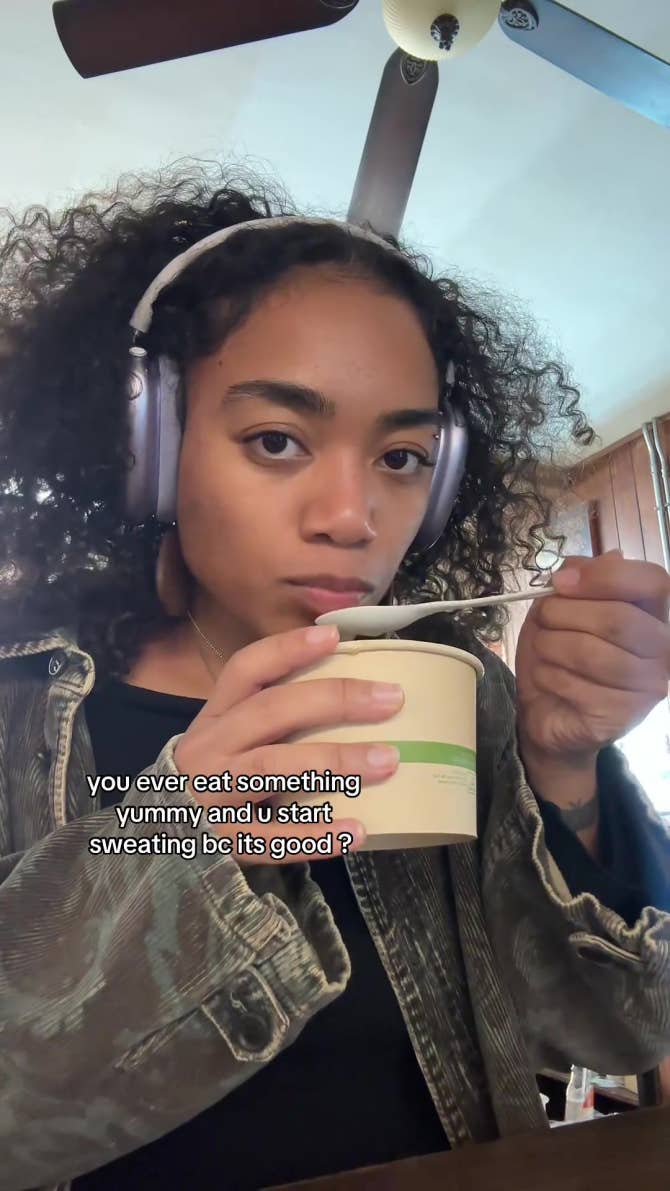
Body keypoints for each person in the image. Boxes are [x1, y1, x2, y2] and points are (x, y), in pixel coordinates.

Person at [0, 162, 668, 1191]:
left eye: (400, 457)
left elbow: (621, 1031)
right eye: (277, 440)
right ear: (150, 444)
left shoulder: (458, 694)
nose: (352, 519)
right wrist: (171, 837)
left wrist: (562, 770)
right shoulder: (19, 705)